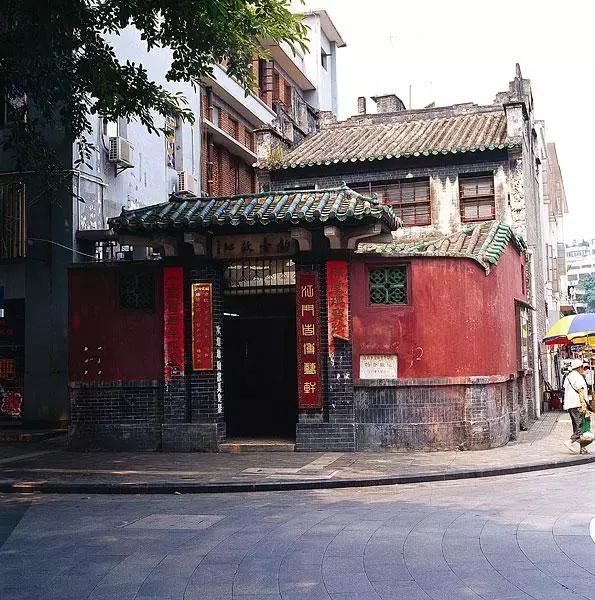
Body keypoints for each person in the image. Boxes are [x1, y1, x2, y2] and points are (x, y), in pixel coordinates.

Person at [563, 358, 589, 449]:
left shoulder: (568, 376)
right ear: (579, 368)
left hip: (570, 404)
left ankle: (582, 448)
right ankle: (570, 441)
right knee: (581, 426)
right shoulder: (578, 377)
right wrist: (583, 405)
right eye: (582, 367)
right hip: (577, 404)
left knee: (577, 425)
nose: (583, 369)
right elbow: (580, 390)